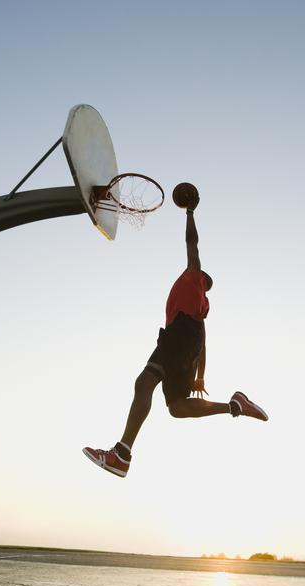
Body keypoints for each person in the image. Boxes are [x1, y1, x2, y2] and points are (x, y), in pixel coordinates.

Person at [83, 197, 268, 478]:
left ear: (201, 276)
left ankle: (122, 455)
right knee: (177, 407)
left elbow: (191, 243)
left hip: (178, 337)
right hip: (184, 341)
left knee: (145, 382)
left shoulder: (193, 278)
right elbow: (202, 339)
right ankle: (235, 406)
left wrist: (189, 212)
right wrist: (200, 375)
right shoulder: (200, 305)